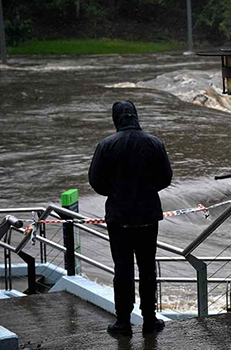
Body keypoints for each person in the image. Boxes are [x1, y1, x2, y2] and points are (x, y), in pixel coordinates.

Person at [88, 101, 173, 336]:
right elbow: (165, 178)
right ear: (136, 116)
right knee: (147, 270)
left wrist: (115, 192)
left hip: (119, 218)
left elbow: (95, 181)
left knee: (122, 270)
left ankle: (123, 322)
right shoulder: (154, 143)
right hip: (147, 217)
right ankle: (149, 319)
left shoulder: (105, 145)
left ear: (116, 119)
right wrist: (146, 188)